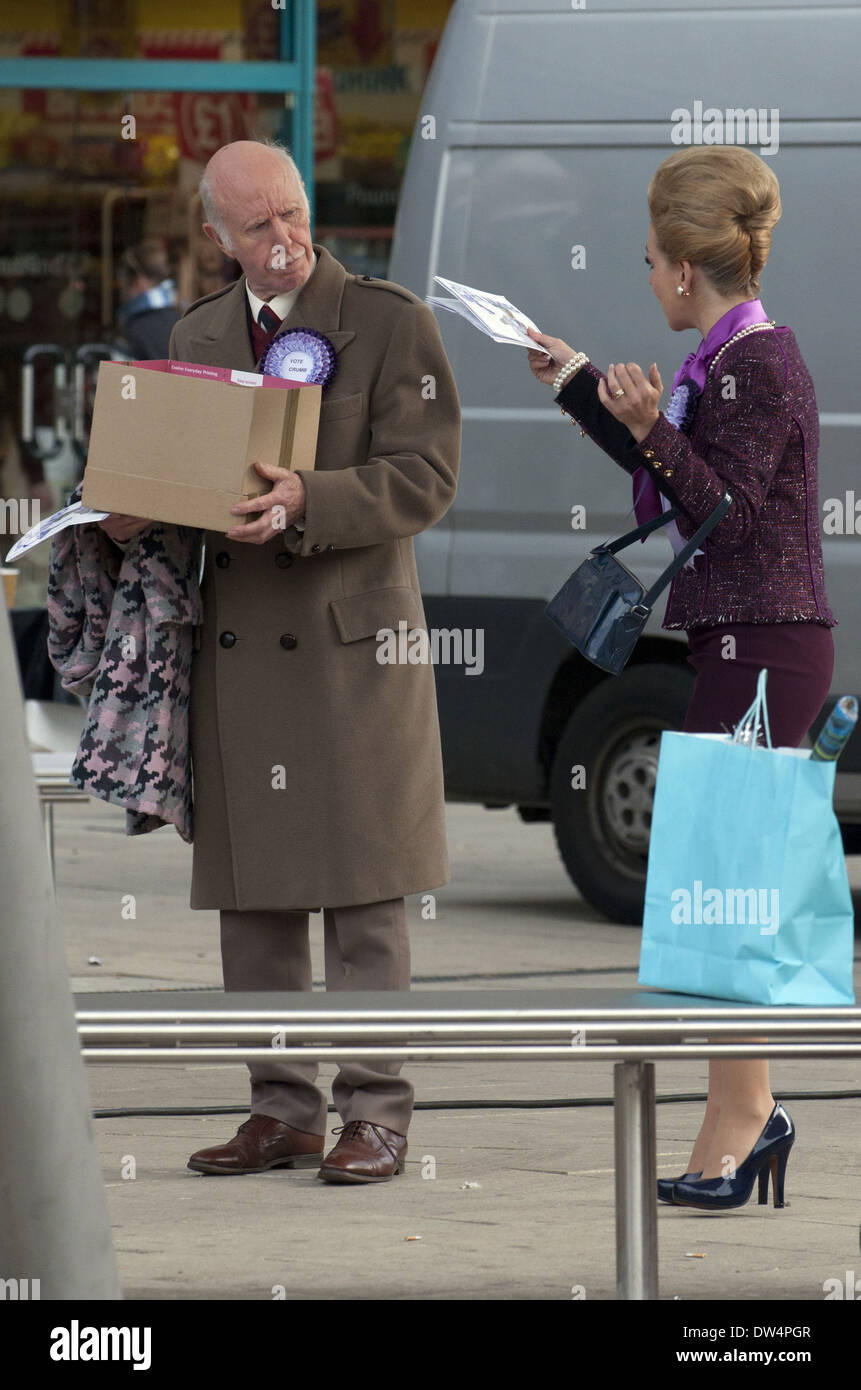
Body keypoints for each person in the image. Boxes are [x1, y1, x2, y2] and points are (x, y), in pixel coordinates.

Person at [97, 139, 461, 1184]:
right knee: (254, 899)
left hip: (354, 653)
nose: (286, 240)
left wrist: (311, 499)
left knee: (364, 891)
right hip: (240, 651)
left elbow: (427, 476)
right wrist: (127, 516)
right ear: (216, 235)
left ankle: (377, 1112)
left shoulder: (390, 322)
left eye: (294, 215)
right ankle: (282, 1107)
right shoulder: (197, 333)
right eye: (257, 226)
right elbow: (178, 490)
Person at [526, 145, 835, 1211]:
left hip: (765, 639)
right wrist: (579, 385)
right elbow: (679, 486)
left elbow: (730, 514)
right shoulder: (725, 357)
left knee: (730, 884)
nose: (643, 271)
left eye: (650, 257)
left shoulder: (758, 363)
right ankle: (739, 1111)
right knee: (721, 883)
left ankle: (747, 1114)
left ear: (685, 270)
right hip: (741, 639)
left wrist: (657, 425)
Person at [115, 240, 179, 360]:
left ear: (140, 282)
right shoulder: (176, 313)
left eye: (124, 284)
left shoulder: (141, 324)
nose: (122, 291)